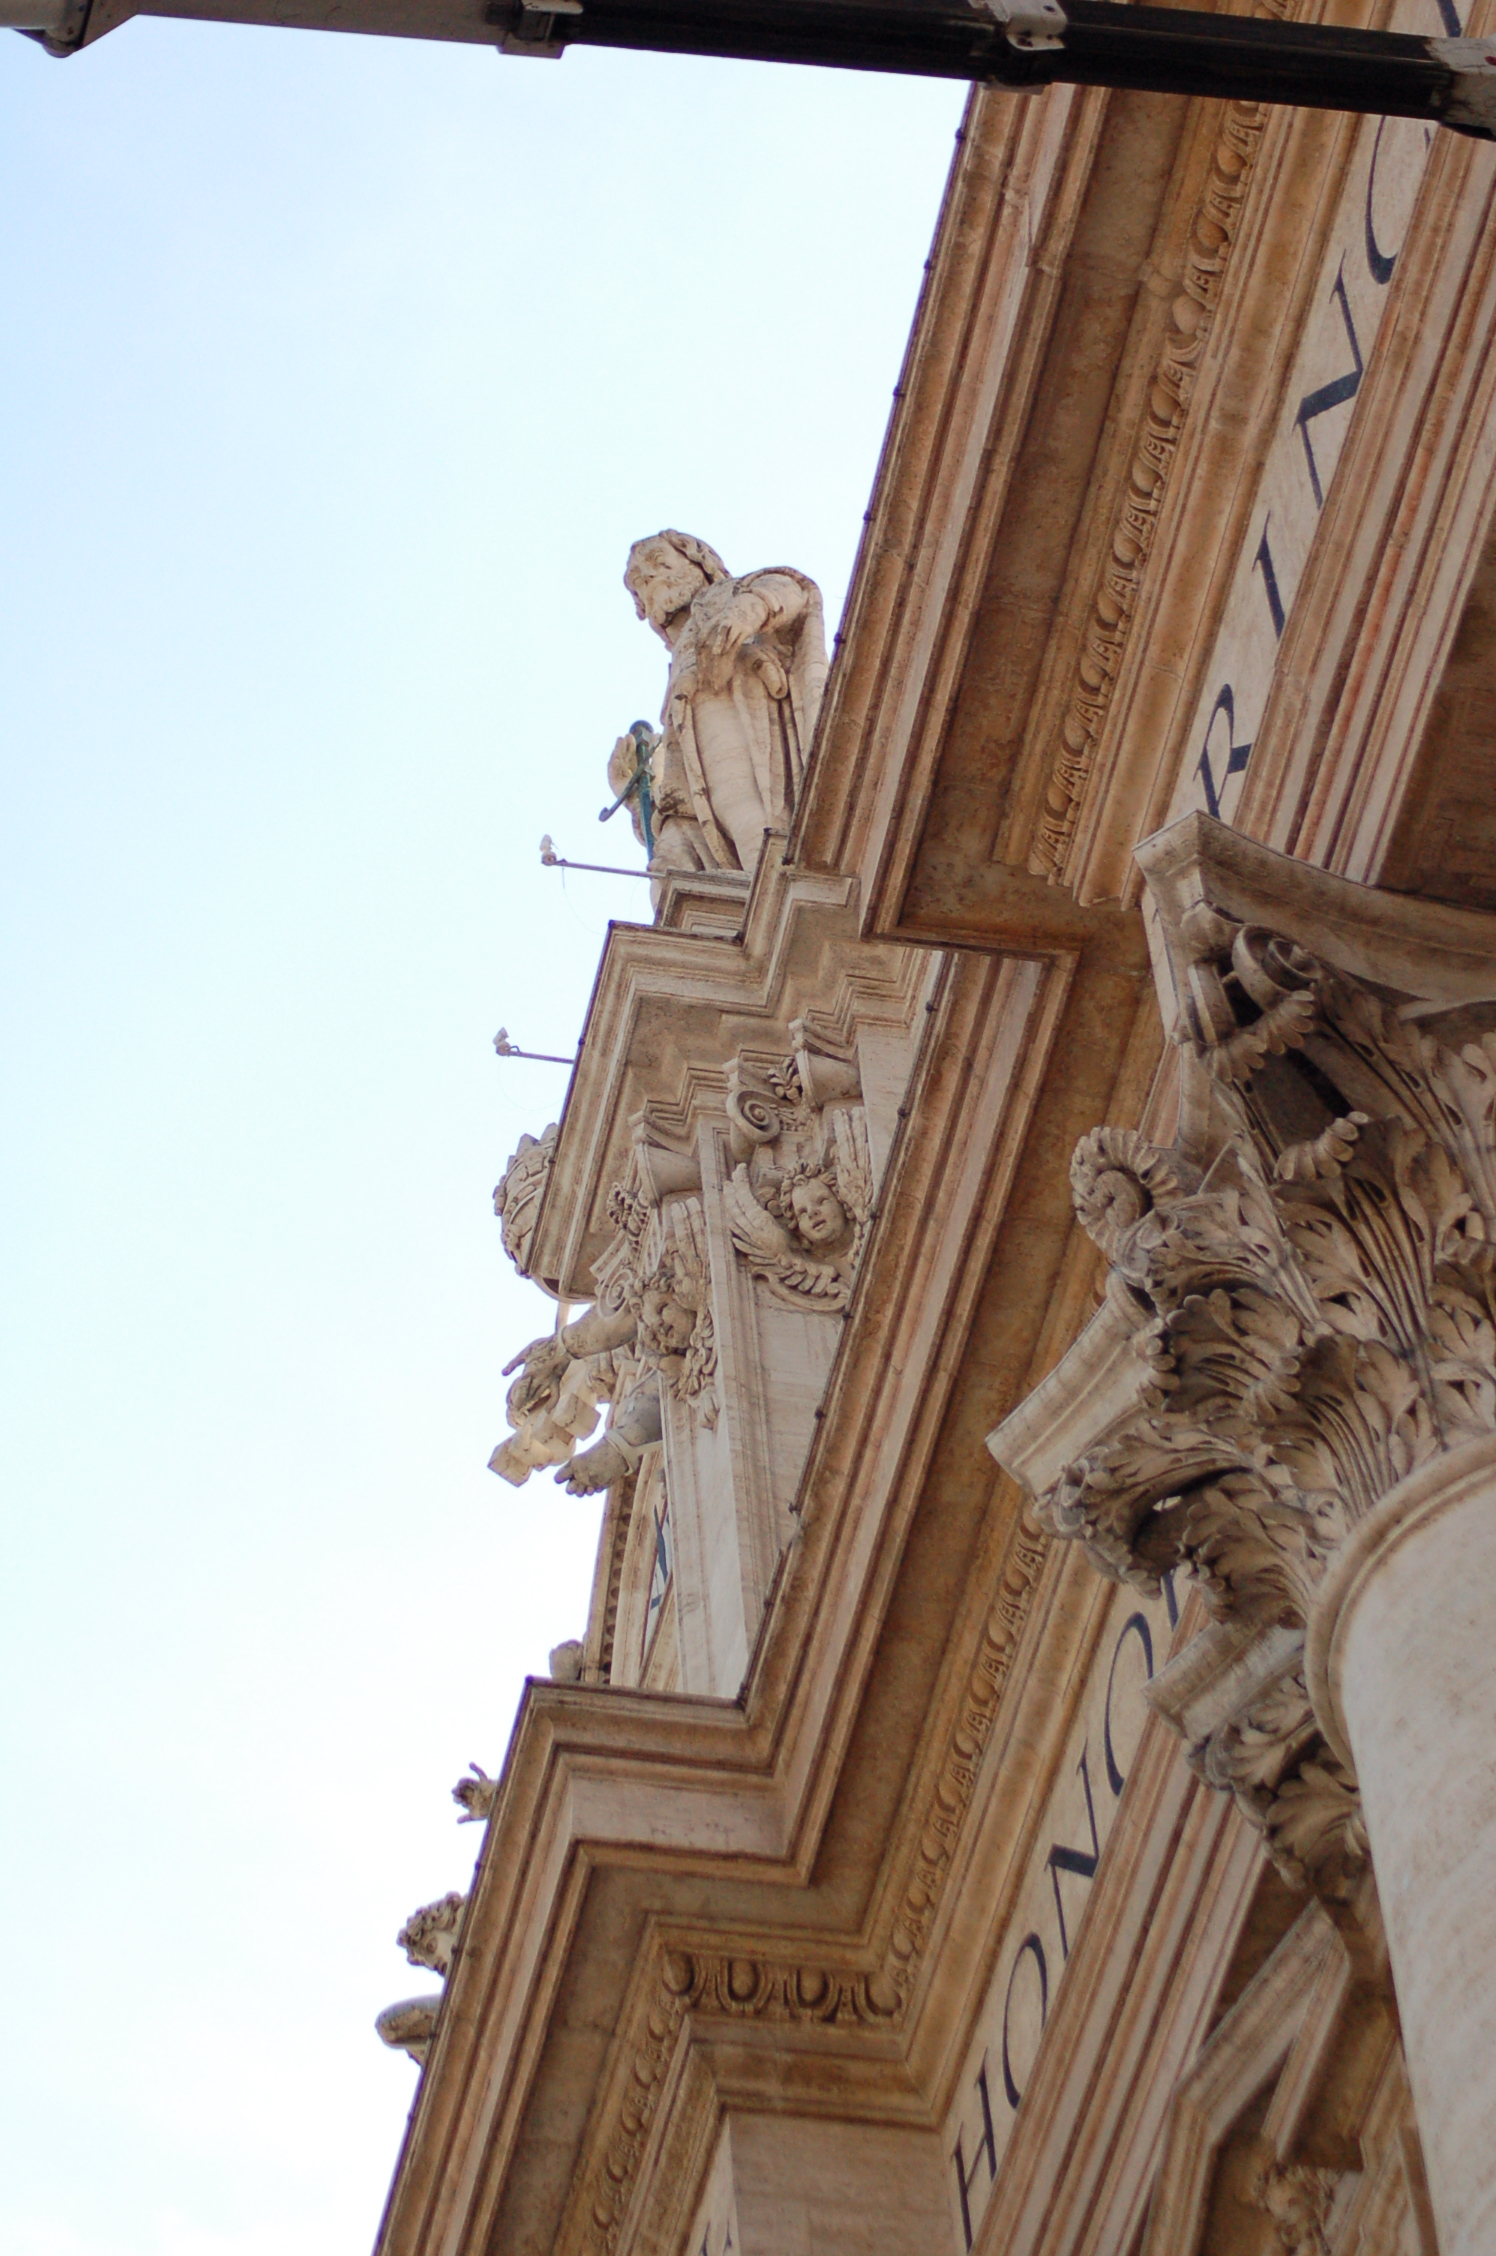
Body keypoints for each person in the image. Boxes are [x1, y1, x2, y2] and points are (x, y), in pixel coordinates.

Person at [623, 530, 827, 875]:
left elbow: (792, 589)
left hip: (747, 712)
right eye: (640, 580)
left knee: (755, 825)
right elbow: (681, 797)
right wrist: (637, 799)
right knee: (667, 868)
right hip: (701, 744)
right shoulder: (677, 665)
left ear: (701, 563)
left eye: (660, 562)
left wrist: (747, 612)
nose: (653, 578)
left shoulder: (733, 594)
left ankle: (777, 893)